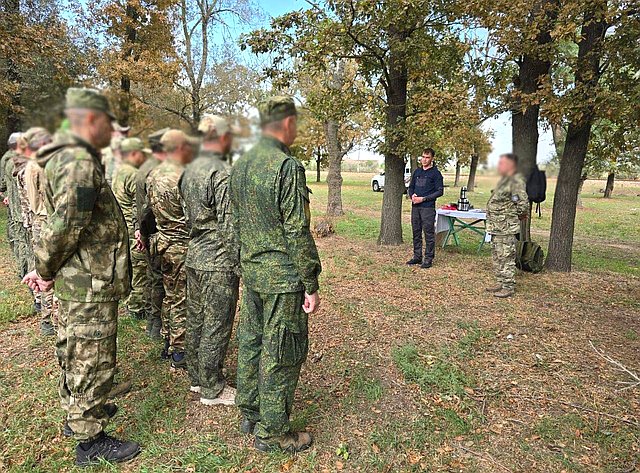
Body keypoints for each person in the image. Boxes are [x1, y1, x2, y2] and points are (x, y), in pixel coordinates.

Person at [22, 88, 140, 466]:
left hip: (84, 276)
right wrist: (44, 269)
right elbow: (66, 225)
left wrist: (47, 268)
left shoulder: (71, 157)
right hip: (89, 281)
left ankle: (80, 416)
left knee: (75, 350)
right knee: (90, 355)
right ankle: (91, 441)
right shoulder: (77, 162)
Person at [230, 96, 322, 453]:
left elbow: (234, 223)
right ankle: (272, 432)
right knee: (281, 351)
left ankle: (250, 412)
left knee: (252, 343)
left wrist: (244, 264)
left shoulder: (242, 163)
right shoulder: (285, 166)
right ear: (286, 124)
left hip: (252, 273)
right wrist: (310, 282)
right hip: (282, 278)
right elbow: (297, 230)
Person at [179, 115, 240, 406]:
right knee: (217, 322)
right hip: (217, 259)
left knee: (196, 319)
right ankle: (212, 388)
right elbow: (229, 225)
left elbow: (184, 214)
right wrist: (239, 261)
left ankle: (196, 375)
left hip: (194, 255)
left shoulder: (189, 170)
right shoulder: (221, 172)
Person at [147, 129, 197, 368]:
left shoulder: (153, 174)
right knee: (181, 298)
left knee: (169, 294)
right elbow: (191, 215)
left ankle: (168, 340)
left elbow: (149, 211)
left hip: (163, 243)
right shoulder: (182, 175)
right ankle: (179, 349)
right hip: (180, 245)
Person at [21, 127, 57, 336]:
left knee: (43, 267)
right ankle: (49, 320)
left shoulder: (30, 165)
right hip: (46, 221)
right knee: (48, 271)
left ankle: (46, 319)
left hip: (38, 220)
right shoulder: (42, 167)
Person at [135, 128, 169, 339]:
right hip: (158, 230)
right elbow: (148, 208)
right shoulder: (157, 171)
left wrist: (140, 231)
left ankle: (153, 322)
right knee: (160, 279)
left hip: (149, 231)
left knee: (153, 277)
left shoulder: (145, 168)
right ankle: (157, 324)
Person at [112, 137, 150, 320]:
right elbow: (139, 206)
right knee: (140, 269)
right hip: (133, 229)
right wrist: (141, 230)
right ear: (134, 153)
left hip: (122, 228)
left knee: (129, 268)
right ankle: (136, 307)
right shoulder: (134, 174)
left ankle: (129, 300)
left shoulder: (118, 171)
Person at [485, 153, 529, 298]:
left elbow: (522, 203)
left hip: (506, 227)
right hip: (497, 227)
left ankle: (508, 286)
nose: (499, 165)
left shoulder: (516, 181)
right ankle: (501, 282)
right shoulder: (505, 180)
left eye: (502, 163)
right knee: (498, 256)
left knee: (506, 256)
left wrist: (512, 214)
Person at [407, 147, 444, 269]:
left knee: (428, 233)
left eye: (427, 157)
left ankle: (428, 258)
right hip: (415, 207)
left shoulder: (436, 174)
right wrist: (412, 195)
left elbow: (439, 191)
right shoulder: (417, 172)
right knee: (416, 232)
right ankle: (417, 256)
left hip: (427, 208)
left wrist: (423, 199)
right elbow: (411, 187)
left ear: (432, 159)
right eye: (423, 157)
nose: (424, 160)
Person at [2, 133, 31, 279]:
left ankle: (23, 270)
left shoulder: (8, 160)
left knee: (20, 241)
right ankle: (25, 271)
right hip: (22, 210)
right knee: (26, 245)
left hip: (17, 209)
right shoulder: (15, 161)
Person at [102, 122, 129, 187]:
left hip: (111, 176)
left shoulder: (107, 144)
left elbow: (103, 162)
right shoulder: (119, 141)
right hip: (117, 175)